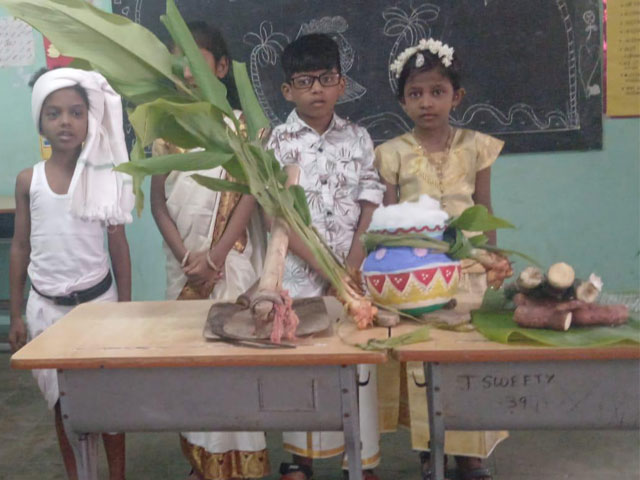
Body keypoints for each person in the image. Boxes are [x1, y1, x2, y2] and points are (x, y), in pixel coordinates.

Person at [374, 38, 508, 480]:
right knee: (425, 362)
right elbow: (388, 220)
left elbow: (484, 207)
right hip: (419, 275)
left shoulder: (476, 146)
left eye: (437, 91)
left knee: (469, 360)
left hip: (469, 271)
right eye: (415, 93)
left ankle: (472, 456)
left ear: (457, 96)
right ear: (402, 101)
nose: (426, 102)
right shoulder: (390, 153)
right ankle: (430, 449)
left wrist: (493, 258)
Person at [149, 21, 268, 480]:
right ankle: (202, 463)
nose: (187, 72)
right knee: (192, 371)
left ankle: (241, 466)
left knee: (233, 369)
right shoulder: (166, 128)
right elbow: (159, 204)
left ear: (220, 68)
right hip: (185, 273)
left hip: (229, 269)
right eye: (178, 63)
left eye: (197, 62)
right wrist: (188, 258)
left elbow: (251, 194)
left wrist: (215, 258)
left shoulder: (243, 129)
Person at [267, 33, 385, 480]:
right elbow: (277, 214)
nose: (316, 89)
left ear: (341, 83)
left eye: (326, 78)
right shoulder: (277, 142)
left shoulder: (358, 138)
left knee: (358, 364)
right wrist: (325, 269)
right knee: (303, 368)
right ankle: (301, 459)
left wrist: (351, 264)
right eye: (304, 80)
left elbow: (371, 201)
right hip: (299, 276)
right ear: (287, 90)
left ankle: (362, 460)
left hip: (353, 274)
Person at [8, 67, 134, 480]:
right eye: (54, 113)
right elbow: (20, 247)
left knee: (110, 404)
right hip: (47, 311)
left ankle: (116, 474)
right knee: (64, 408)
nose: (66, 122)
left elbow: (118, 245)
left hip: (99, 307)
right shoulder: (29, 181)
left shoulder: (104, 176)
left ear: (89, 119)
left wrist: (126, 309)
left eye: (76, 112)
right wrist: (16, 314)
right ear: (40, 122)